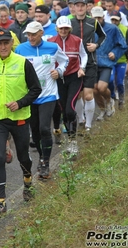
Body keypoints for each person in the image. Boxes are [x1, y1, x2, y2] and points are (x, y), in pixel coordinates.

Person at [0, 28, 42, 218]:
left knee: (23, 157)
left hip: (20, 117)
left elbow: (36, 89)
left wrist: (19, 103)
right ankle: (1, 201)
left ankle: (28, 181)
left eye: (6, 42)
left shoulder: (22, 63)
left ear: (11, 43)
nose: (3, 46)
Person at [15, 21, 69, 178]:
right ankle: (41, 156)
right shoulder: (21, 49)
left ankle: (46, 162)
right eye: (28, 35)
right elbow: (16, 68)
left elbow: (64, 60)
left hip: (49, 94)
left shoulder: (52, 47)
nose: (30, 37)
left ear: (41, 34)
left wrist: (59, 71)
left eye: (33, 34)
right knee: (36, 131)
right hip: (30, 96)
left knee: (45, 128)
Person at [48, 16, 87, 154]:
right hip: (58, 78)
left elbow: (84, 54)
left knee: (70, 109)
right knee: (64, 110)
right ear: (57, 28)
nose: (63, 30)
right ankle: (69, 139)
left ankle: (73, 142)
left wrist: (82, 67)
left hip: (73, 77)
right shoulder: (51, 41)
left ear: (70, 28)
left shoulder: (77, 40)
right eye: (61, 28)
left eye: (66, 28)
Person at [70, 0, 106, 132]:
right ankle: (81, 119)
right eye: (77, 5)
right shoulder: (69, 23)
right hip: (74, 64)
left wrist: (96, 45)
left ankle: (88, 126)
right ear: (74, 7)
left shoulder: (93, 22)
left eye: (82, 5)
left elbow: (103, 36)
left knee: (88, 95)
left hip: (90, 62)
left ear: (86, 7)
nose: (79, 8)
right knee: (78, 95)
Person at [90, 7, 127, 121]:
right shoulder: (88, 29)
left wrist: (114, 53)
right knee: (95, 90)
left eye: (99, 17)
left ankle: (110, 100)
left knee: (102, 87)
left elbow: (123, 45)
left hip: (106, 63)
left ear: (103, 17)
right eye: (94, 17)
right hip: (92, 63)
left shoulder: (112, 29)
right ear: (91, 17)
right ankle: (102, 110)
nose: (97, 20)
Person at [108, 10, 128, 110]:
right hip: (111, 61)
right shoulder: (107, 29)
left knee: (119, 82)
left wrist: (121, 50)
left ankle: (122, 98)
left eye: (116, 20)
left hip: (122, 60)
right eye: (112, 20)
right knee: (110, 81)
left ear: (120, 20)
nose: (114, 22)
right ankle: (113, 96)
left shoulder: (125, 30)